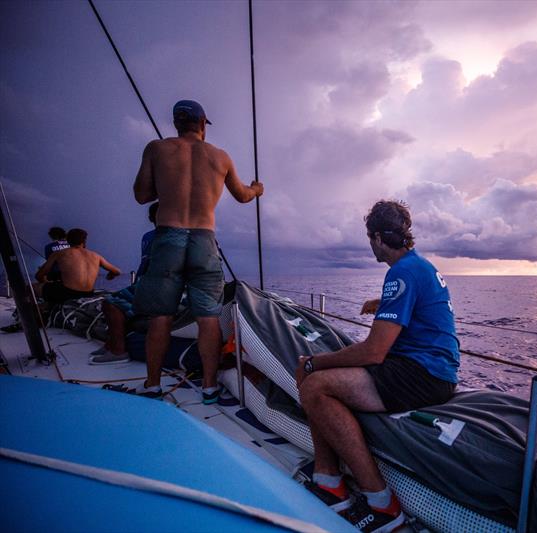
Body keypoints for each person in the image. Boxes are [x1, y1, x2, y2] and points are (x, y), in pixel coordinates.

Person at [295, 200, 460, 532]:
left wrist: (313, 362)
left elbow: (373, 352)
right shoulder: (418, 266)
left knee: (315, 383)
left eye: (370, 238)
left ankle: (382, 505)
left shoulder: (400, 273)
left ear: (377, 238)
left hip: (423, 375)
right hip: (433, 368)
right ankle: (328, 479)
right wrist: (382, 303)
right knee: (322, 377)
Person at [132, 99, 263, 402]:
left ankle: (153, 385)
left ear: (177, 123)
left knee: (161, 317)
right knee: (207, 318)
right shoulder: (221, 157)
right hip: (204, 240)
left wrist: (167, 186)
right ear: (203, 124)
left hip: (168, 239)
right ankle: (209, 387)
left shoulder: (156, 148)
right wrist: (258, 188)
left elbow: (141, 195)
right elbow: (243, 195)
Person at [89, 202, 159, 365]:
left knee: (110, 303)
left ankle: (118, 351)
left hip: (155, 287)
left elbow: (145, 266)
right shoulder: (151, 237)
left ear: (150, 218)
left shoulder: (150, 237)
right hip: (148, 284)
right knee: (114, 301)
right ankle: (110, 344)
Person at [35, 228, 121, 303]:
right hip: (88, 293)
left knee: (31, 288)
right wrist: (110, 276)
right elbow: (117, 271)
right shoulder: (96, 256)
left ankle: (36, 318)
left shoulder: (59, 254)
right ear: (84, 241)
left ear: (68, 240)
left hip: (67, 293)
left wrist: (45, 282)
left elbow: (39, 275)